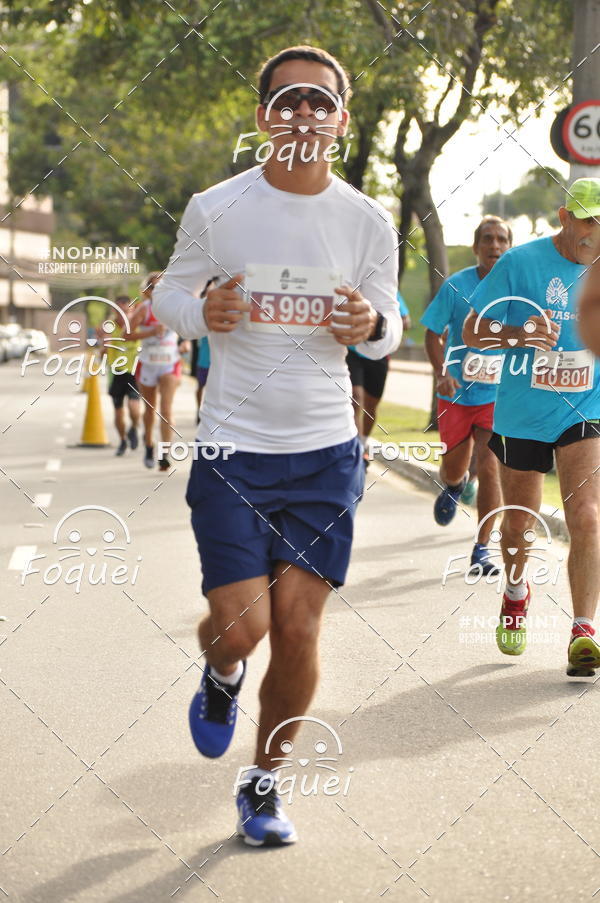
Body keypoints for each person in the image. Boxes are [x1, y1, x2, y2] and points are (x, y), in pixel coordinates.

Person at [153, 45, 401, 846]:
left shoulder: (367, 220)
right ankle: (223, 673)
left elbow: (389, 318)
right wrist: (201, 316)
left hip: (326, 452)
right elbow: (169, 290)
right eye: (287, 99)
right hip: (233, 450)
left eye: (319, 101)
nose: (303, 113)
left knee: (296, 629)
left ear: (340, 119)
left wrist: (370, 327)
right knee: (242, 628)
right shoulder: (216, 207)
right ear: (263, 116)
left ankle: (263, 785)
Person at [463, 178, 600, 674]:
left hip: (584, 409)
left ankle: (583, 630)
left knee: (586, 514)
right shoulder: (521, 263)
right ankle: (516, 592)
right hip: (522, 413)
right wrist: (517, 334)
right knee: (519, 520)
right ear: (564, 217)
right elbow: (472, 330)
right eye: (586, 219)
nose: (594, 231)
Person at [421, 216, 511, 574]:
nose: (494, 246)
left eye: (502, 239)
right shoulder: (457, 286)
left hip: (497, 397)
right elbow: (432, 333)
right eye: (487, 239)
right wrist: (442, 373)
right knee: (454, 467)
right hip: (457, 395)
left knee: (491, 467)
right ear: (476, 247)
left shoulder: (516, 290)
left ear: (508, 247)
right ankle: (455, 485)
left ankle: (481, 548)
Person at [128, 272, 189, 471]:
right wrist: (150, 332)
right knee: (150, 410)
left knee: (166, 410)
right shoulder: (144, 309)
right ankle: (148, 444)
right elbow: (126, 334)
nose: (157, 290)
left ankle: (164, 453)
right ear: (147, 291)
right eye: (153, 287)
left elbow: (188, 330)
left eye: (161, 286)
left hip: (170, 363)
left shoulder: (175, 309)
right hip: (147, 363)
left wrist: (186, 343)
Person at [347, 289, 407, 459]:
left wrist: (380, 324)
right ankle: (357, 449)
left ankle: (364, 441)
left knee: (371, 406)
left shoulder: (384, 289)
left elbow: (405, 320)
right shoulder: (351, 288)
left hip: (379, 355)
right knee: (355, 398)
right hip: (353, 351)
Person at [98, 294, 141, 456]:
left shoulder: (136, 326)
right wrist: (104, 347)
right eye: (118, 309)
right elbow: (102, 352)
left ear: (130, 309)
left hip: (133, 372)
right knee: (118, 411)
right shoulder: (109, 328)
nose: (122, 313)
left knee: (134, 409)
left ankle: (134, 428)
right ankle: (123, 440)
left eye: (125, 309)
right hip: (116, 374)